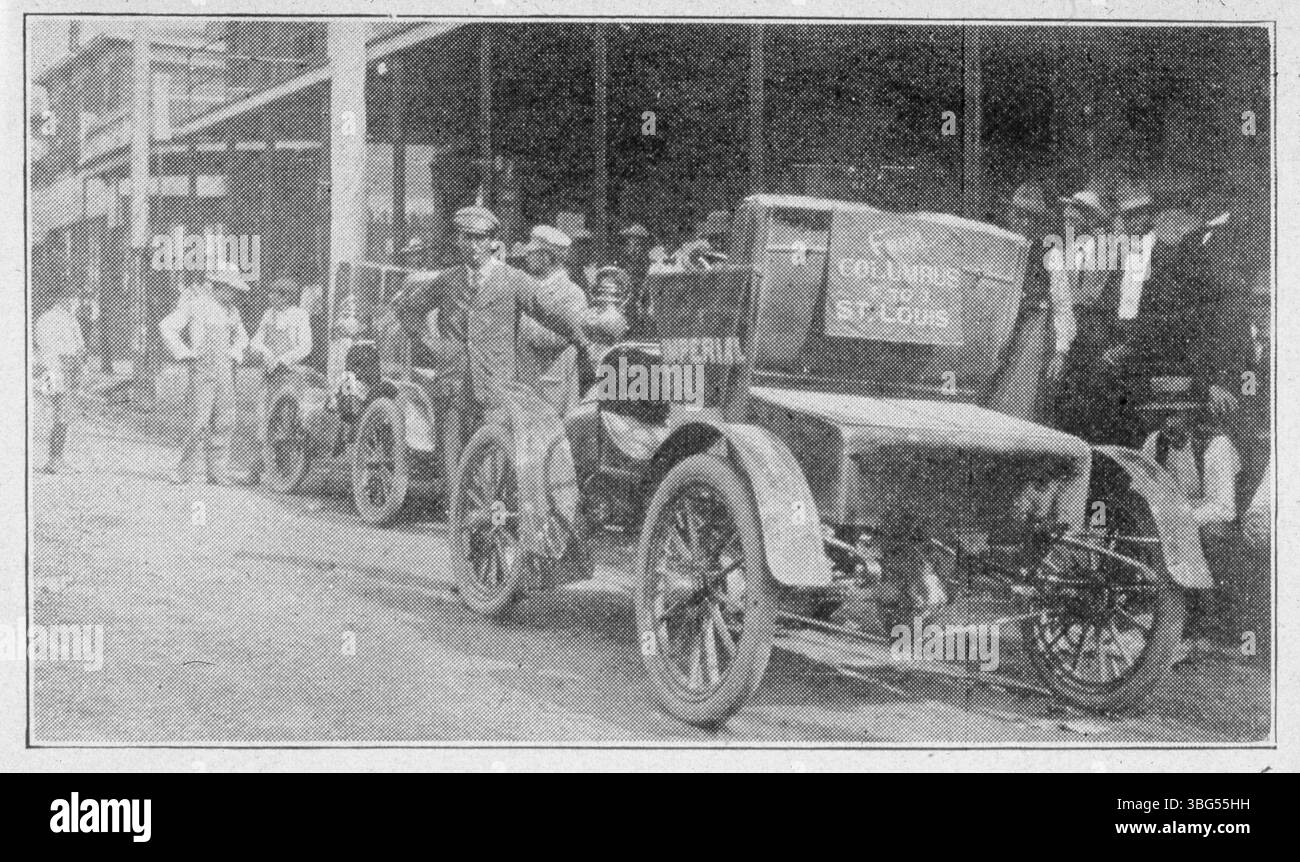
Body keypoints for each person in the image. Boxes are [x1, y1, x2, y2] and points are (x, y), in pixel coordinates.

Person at [989, 182, 1073, 423]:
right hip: (997, 328)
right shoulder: (1000, 247)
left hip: (1029, 330)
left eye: (1032, 218)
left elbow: (1062, 303)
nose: (1024, 223)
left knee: (1018, 397)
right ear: (1010, 214)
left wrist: (1060, 351)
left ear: (1040, 223)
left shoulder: (1051, 255)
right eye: (1020, 215)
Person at [159, 270, 251, 486]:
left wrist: (235, 353)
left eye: (236, 291)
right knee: (198, 421)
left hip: (225, 370)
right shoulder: (197, 304)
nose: (234, 295)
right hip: (203, 368)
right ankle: (184, 471)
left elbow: (242, 336)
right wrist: (184, 352)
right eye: (231, 290)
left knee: (225, 420)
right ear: (220, 286)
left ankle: (217, 473)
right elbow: (167, 326)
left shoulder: (232, 311)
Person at [247, 276, 313, 485]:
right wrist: (264, 351)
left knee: (285, 422)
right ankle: (255, 470)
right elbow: (256, 340)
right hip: (269, 374)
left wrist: (284, 359)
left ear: (286, 297)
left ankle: (284, 473)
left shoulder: (300, 316)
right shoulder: (269, 315)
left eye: (274, 293)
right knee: (262, 419)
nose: (270, 297)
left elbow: (305, 346)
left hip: (288, 375)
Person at [520, 224, 589, 415]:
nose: (527, 256)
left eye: (532, 253)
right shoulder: (531, 289)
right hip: (528, 387)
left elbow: (553, 338)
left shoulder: (572, 293)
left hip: (552, 391)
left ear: (546, 256)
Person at [35, 284, 86, 475]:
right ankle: (54, 460)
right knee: (60, 414)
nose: (77, 302)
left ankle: (57, 459)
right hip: (57, 370)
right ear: (63, 298)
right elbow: (47, 350)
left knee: (65, 415)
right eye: (74, 298)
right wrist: (59, 369)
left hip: (72, 369)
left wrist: (81, 360)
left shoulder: (70, 319)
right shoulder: (48, 319)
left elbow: (79, 344)